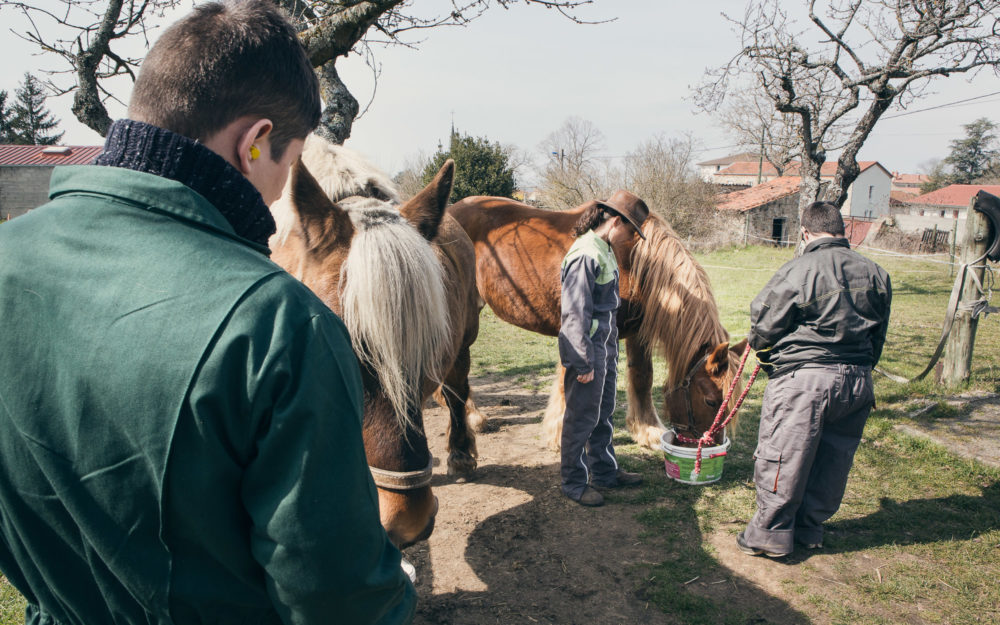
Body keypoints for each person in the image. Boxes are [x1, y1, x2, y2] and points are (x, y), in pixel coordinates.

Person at [0, 2, 415, 624]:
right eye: (287, 165)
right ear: (256, 143)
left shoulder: (9, 255)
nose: (280, 195)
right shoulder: (278, 325)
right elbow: (339, 603)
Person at [737, 201, 892, 558]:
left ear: (805, 233)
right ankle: (809, 528)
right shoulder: (878, 274)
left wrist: (766, 351)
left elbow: (763, 323)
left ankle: (769, 533)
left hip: (806, 380)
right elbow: (878, 336)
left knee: (784, 453)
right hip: (858, 381)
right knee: (832, 458)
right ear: (844, 231)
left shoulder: (799, 270)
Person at [558, 191, 649, 506]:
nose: (630, 238)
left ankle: (604, 471)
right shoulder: (586, 254)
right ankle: (573, 482)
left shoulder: (605, 249)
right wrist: (581, 362)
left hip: (606, 344)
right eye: (630, 230)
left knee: (603, 412)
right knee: (581, 416)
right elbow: (573, 314)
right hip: (589, 348)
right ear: (616, 221)